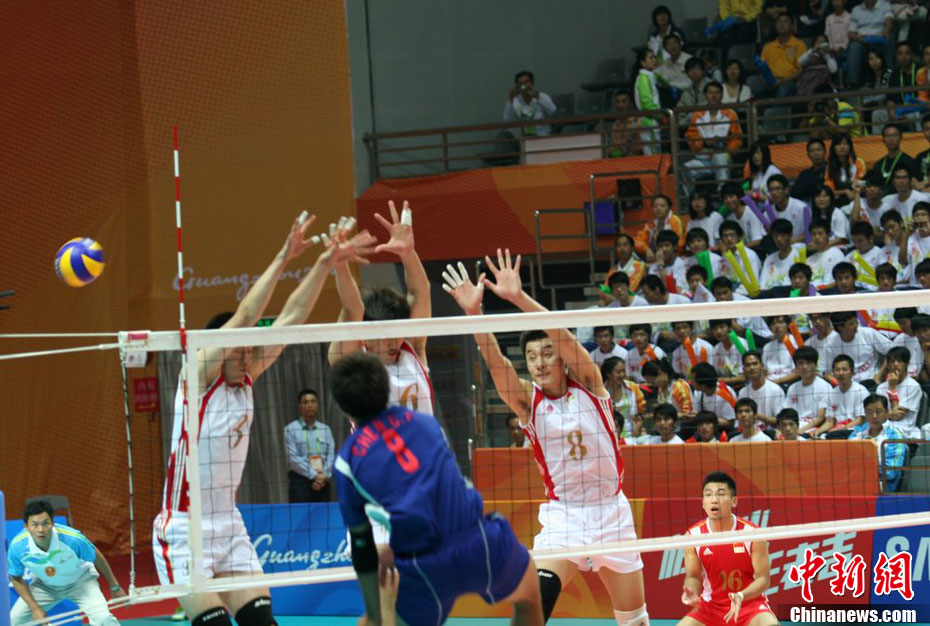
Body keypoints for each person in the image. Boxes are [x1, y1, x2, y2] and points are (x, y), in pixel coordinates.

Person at [152, 214, 373, 626]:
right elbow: (245, 318)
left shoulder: (247, 379)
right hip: (185, 528)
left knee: (263, 623)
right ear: (216, 350)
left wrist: (324, 261)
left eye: (248, 350)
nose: (246, 355)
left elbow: (291, 318)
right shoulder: (196, 380)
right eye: (237, 350)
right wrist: (284, 256)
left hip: (229, 526)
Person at [441, 250, 649, 625]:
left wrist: (518, 297)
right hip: (564, 517)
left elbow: (565, 338)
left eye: (547, 353)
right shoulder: (527, 402)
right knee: (533, 609)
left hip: (612, 513)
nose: (539, 362)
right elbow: (497, 365)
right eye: (532, 356)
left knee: (634, 620)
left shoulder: (590, 384)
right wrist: (475, 313)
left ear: (561, 358)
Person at [330, 352, 543, 625]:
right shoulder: (426, 424)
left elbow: (362, 546)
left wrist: (376, 611)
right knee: (530, 594)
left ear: (343, 406)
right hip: (479, 541)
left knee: (374, 622)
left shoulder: (346, 461)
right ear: (386, 388)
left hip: (422, 566)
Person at [329, 201, 435, 415]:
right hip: (376, 439)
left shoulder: (412, 349)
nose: (394, 342)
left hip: (422, 438)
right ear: (365, 336)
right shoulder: (352, 362)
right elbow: (352, 309)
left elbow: (420, 291)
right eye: (386, 336)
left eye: (396, 334)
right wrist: (340, 265)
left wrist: (408, 253)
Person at [679, 472, 777, 626]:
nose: (714, 499)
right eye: (708, 495)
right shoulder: (693, 536)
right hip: (711, 608)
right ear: (703, 502)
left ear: (734, 501)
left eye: (721, 494)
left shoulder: (753, 534)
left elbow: (764, 579)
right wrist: (692, 591)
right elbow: (693, 576)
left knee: (769, 624)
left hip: (749, 605)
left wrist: (741, 595)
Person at [9, 500, 125, 626]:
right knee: (13, 621)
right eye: (35, 525)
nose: (41, 530)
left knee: (103, 619)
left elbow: (96, 556)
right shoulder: (18, 547)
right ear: (26, 526)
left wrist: (115, 586)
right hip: (44, 587)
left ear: (53, 523)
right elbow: (15, 578)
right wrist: (35, 608)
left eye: (45, 523)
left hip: (81, 582)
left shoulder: (72, 539)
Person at [682, 81, 742, 196]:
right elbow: (691, 137)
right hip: (703, 159)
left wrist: (727, 149)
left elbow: (737, 139)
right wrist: (705, 143)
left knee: (720, 158)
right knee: (686, 168)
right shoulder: (697, 115)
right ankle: (692, 198)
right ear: (706, 95)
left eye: (717, 93)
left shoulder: (730, 114)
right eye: (710, 93)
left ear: (721, 95)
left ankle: (723, 195)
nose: (713, 96)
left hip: (724, 156)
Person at [757, 14, 807, 135]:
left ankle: (774, 129)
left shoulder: (799, 45)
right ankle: (758, 127)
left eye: (786, 21)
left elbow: (800, 71)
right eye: (779, 21)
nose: (782, 24)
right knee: (755, 93)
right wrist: (765, 82)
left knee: (783, 91)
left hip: (790, 82)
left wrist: (781, 82)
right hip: (770, 81)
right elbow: (762, 69)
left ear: (792, 26)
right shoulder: (768, 47)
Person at [284, 388, 336, 503]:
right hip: (300, 482)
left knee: (323, 514)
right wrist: (314, 475)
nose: (309, 405)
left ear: (317, 405)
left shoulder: (325, 429)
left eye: (313, 401)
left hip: (322, 482)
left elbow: (331, 456)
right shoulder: (290, 429)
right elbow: (293, 460)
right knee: (300, 513)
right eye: (305, 402)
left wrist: (324, 476)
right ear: (300, 406)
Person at [848, 394, 908, 491]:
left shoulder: (895, 436)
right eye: (869, 412)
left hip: (882, 486)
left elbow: (890, 472)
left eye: (879, 411)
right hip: (855, 481)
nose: (874, 416)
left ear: (887, 412)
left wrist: (863, 464)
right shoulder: (857, 432)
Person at [820, 310, 893, 385]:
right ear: (840, 328)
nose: (856, 325)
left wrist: (880, 375)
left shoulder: (869, 333)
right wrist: (837, 383)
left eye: (856, 321)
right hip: (848, 386)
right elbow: (824, 371)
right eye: (851, 324)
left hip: (874, 381)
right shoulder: (831, 344)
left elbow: (893, 351)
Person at [872, 41, 922, 131]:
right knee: (878, 114)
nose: (904, 57)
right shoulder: (894, 74)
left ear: (912, 55)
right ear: (896, 56)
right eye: (900, 54)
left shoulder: (921, 70)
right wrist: (892, 111)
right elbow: (890, 98)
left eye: (907, 53)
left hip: (918, 107)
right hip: (901, 109)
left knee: (917, 114)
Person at [876, 346, 923, 438]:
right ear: (888, 364)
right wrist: (887, 414)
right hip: (882, 428)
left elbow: (898, 416)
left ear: (907, 363)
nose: (895, 364)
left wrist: (892, 389)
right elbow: (877, 414)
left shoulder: (913, 386)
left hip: (903, 431)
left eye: (899, 361)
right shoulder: (880, 388)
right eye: (892, 361)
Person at [846, 0, 894, 87]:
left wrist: (886, 31)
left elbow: (889, 21)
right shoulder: (856, 9)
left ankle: (889, 79)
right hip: (862, 40)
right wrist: (857, 37)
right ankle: (852, 83)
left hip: (879, 37)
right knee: (854, 47)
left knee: (889, 40)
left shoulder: (885, 5)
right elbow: (851, 33)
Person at [785, 347, 832, 434]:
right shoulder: (792, 388)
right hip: (793, 428)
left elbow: (820, 418)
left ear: (815, 365)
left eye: (808, 363)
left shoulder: (825, 386)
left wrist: (800, 430)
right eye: (801, 363)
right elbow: (787, 414)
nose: (805, 367)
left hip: (812, 429)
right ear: (796, 366)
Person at [738, 351, 786, 429]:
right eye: (748, 365)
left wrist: (759, 417)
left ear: (762, 366)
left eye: (755, 364)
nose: (752, 368)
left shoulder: (775, 390)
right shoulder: (742, 392)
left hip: (770, 431)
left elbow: (781, 419)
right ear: (743, 370)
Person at [824, 354, 871, 432]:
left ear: (852, 372)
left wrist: (842, 428)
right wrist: (817, 431)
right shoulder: (832, 394)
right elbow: (830, 422)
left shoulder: (861, 391)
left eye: (844, 369)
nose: (841, 373)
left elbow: (860, 420)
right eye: (837, 370)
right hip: (838, 430)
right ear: (833, 373)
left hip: (857, 430)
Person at [602, 356, 646, 439]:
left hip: (630, 434)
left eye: (623, 371)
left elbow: (641, 412)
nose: (622, 375)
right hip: (608, 435)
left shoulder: (632, 387)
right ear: (608, 374)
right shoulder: (600, 391)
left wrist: (637, 428)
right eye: (618, 372)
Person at [503, 71, 557, 137]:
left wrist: (537, 97)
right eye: (520, 83)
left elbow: (554, 113)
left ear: (532, 84)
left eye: (526, 82)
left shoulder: (542, 96)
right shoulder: (515, 100)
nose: (524, 86)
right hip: (524, 137)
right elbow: (507, 120)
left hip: (543, 135)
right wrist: (510, 97)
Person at [869, 123, 918, 196]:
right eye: (887, 136)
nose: (891, 139)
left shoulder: (910, 162)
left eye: (894, 135)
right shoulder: (878, 164)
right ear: (883, 139)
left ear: (901, 138)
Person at [634, 194, 684, 260]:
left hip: (675, 257)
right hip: (657, 257)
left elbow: (679, 243)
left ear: (669, 208)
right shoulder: (651, 224)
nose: (658, 208)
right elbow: (637, 241)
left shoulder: (674, 220)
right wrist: (647, 249)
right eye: (655, 206)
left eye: (662, 206)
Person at [760, 219, 804, 291]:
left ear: (790, 235)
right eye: (775, 235)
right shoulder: (769, 259)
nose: (779, 239)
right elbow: (762, 287)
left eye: (783, 235)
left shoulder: (799, 256)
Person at [634, 49, 663, 155]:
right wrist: (660, 116)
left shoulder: (649, 77)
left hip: (652, 119)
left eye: (654, 57)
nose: (654, 60)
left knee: (654, 152)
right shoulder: (643, 78)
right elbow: (646, 102)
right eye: (650, 58)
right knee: (652, 154)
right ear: (643, 62)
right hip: (649, 120)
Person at [824, 133, 866, 205]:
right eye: (838, 144)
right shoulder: (830, 165)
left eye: (845, 144)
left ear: (850, 147)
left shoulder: (858, 162)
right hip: (839, 200)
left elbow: (862, 184)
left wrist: (854, 192)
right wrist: (845, 191)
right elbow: (829, 189)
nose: (842, 147)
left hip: (858, 197)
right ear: (834, 148)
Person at [691, 362, 737, 428]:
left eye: (693, 380)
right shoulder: (697, 393)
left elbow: (730, 422)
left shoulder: (726, 393)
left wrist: (707, 420)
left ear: (703, 385)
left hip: (724, 429)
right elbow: (697, 415)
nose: (691, 382)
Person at [767, 176, 809, 243]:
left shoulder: (802, 208)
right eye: (771, 190)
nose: (774, 192)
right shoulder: (768, 212)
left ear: (786, 190)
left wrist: (789, 242)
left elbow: (810, 234)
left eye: (777, 189)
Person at [863, 50, 893, 134]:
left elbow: (885, 94)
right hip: (873, 105)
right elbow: (865, 95)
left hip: (887, 103)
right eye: (871, 59)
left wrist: (869, 100)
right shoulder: (869, 77)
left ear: (882, 59)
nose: (874, 61)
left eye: (877, 58)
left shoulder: (889, 74)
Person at [790, 138, 828, 203]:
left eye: (819, 150)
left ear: (825, 152)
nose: (816, 153)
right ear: (808, 155)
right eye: (812, 151)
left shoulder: (831, 170)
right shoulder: (804, 174)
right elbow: (794, 194)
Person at [609, 90, 643, 157]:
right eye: (617, 102)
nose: (620, 105)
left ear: (630, 103)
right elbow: (613, 148)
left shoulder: (639, 122)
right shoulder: (615, 125)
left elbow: (644, 147)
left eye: (624, 102)